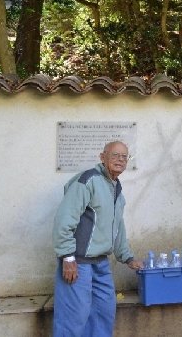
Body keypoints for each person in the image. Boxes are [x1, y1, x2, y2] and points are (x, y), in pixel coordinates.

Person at [52, 140, 143, 337]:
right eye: (114, 155)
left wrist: (127, 257)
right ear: (102, 157)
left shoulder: (116, 188)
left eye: (124, 156)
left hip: (101, 264)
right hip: (78, 263)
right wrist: (67, 256)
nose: (120, 160)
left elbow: (117, 226)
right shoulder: (88, 180)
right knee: (73, 319)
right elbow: (64, 219)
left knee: (103, 314)